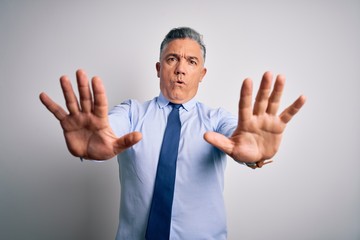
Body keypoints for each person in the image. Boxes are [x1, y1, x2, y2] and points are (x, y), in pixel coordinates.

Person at [39, 27, 306, 239]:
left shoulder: (217, 119)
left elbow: (239, 139)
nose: (180, 69)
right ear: (158, 68)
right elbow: (107, 132)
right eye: (172, 59)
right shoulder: (131, 113)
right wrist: (94, 145)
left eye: (191, 62)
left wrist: (253, 155)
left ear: (201, 74)